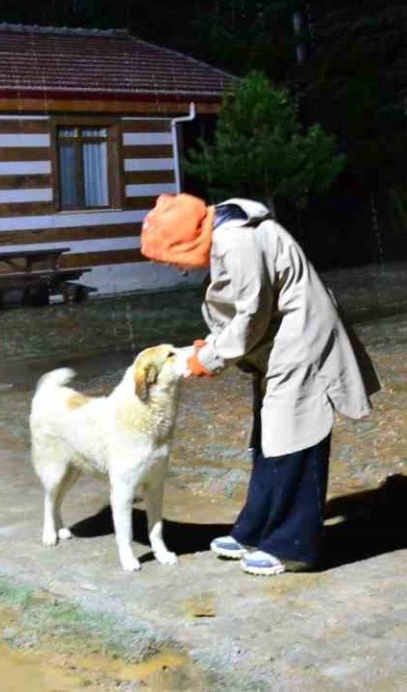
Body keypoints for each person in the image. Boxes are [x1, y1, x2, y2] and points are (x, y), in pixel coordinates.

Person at [140, 193, 379, 576]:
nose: (173, 268)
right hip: (278, 346)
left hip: (300, 343)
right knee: (269, 438)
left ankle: (293, 547)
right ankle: (257, 529)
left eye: (170, 259)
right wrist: (211, 346)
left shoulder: (237, 241)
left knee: (296, 439)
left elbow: (251, 316)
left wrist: (209, 358)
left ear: (185, 242)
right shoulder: (223, 233)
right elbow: (245, 309)